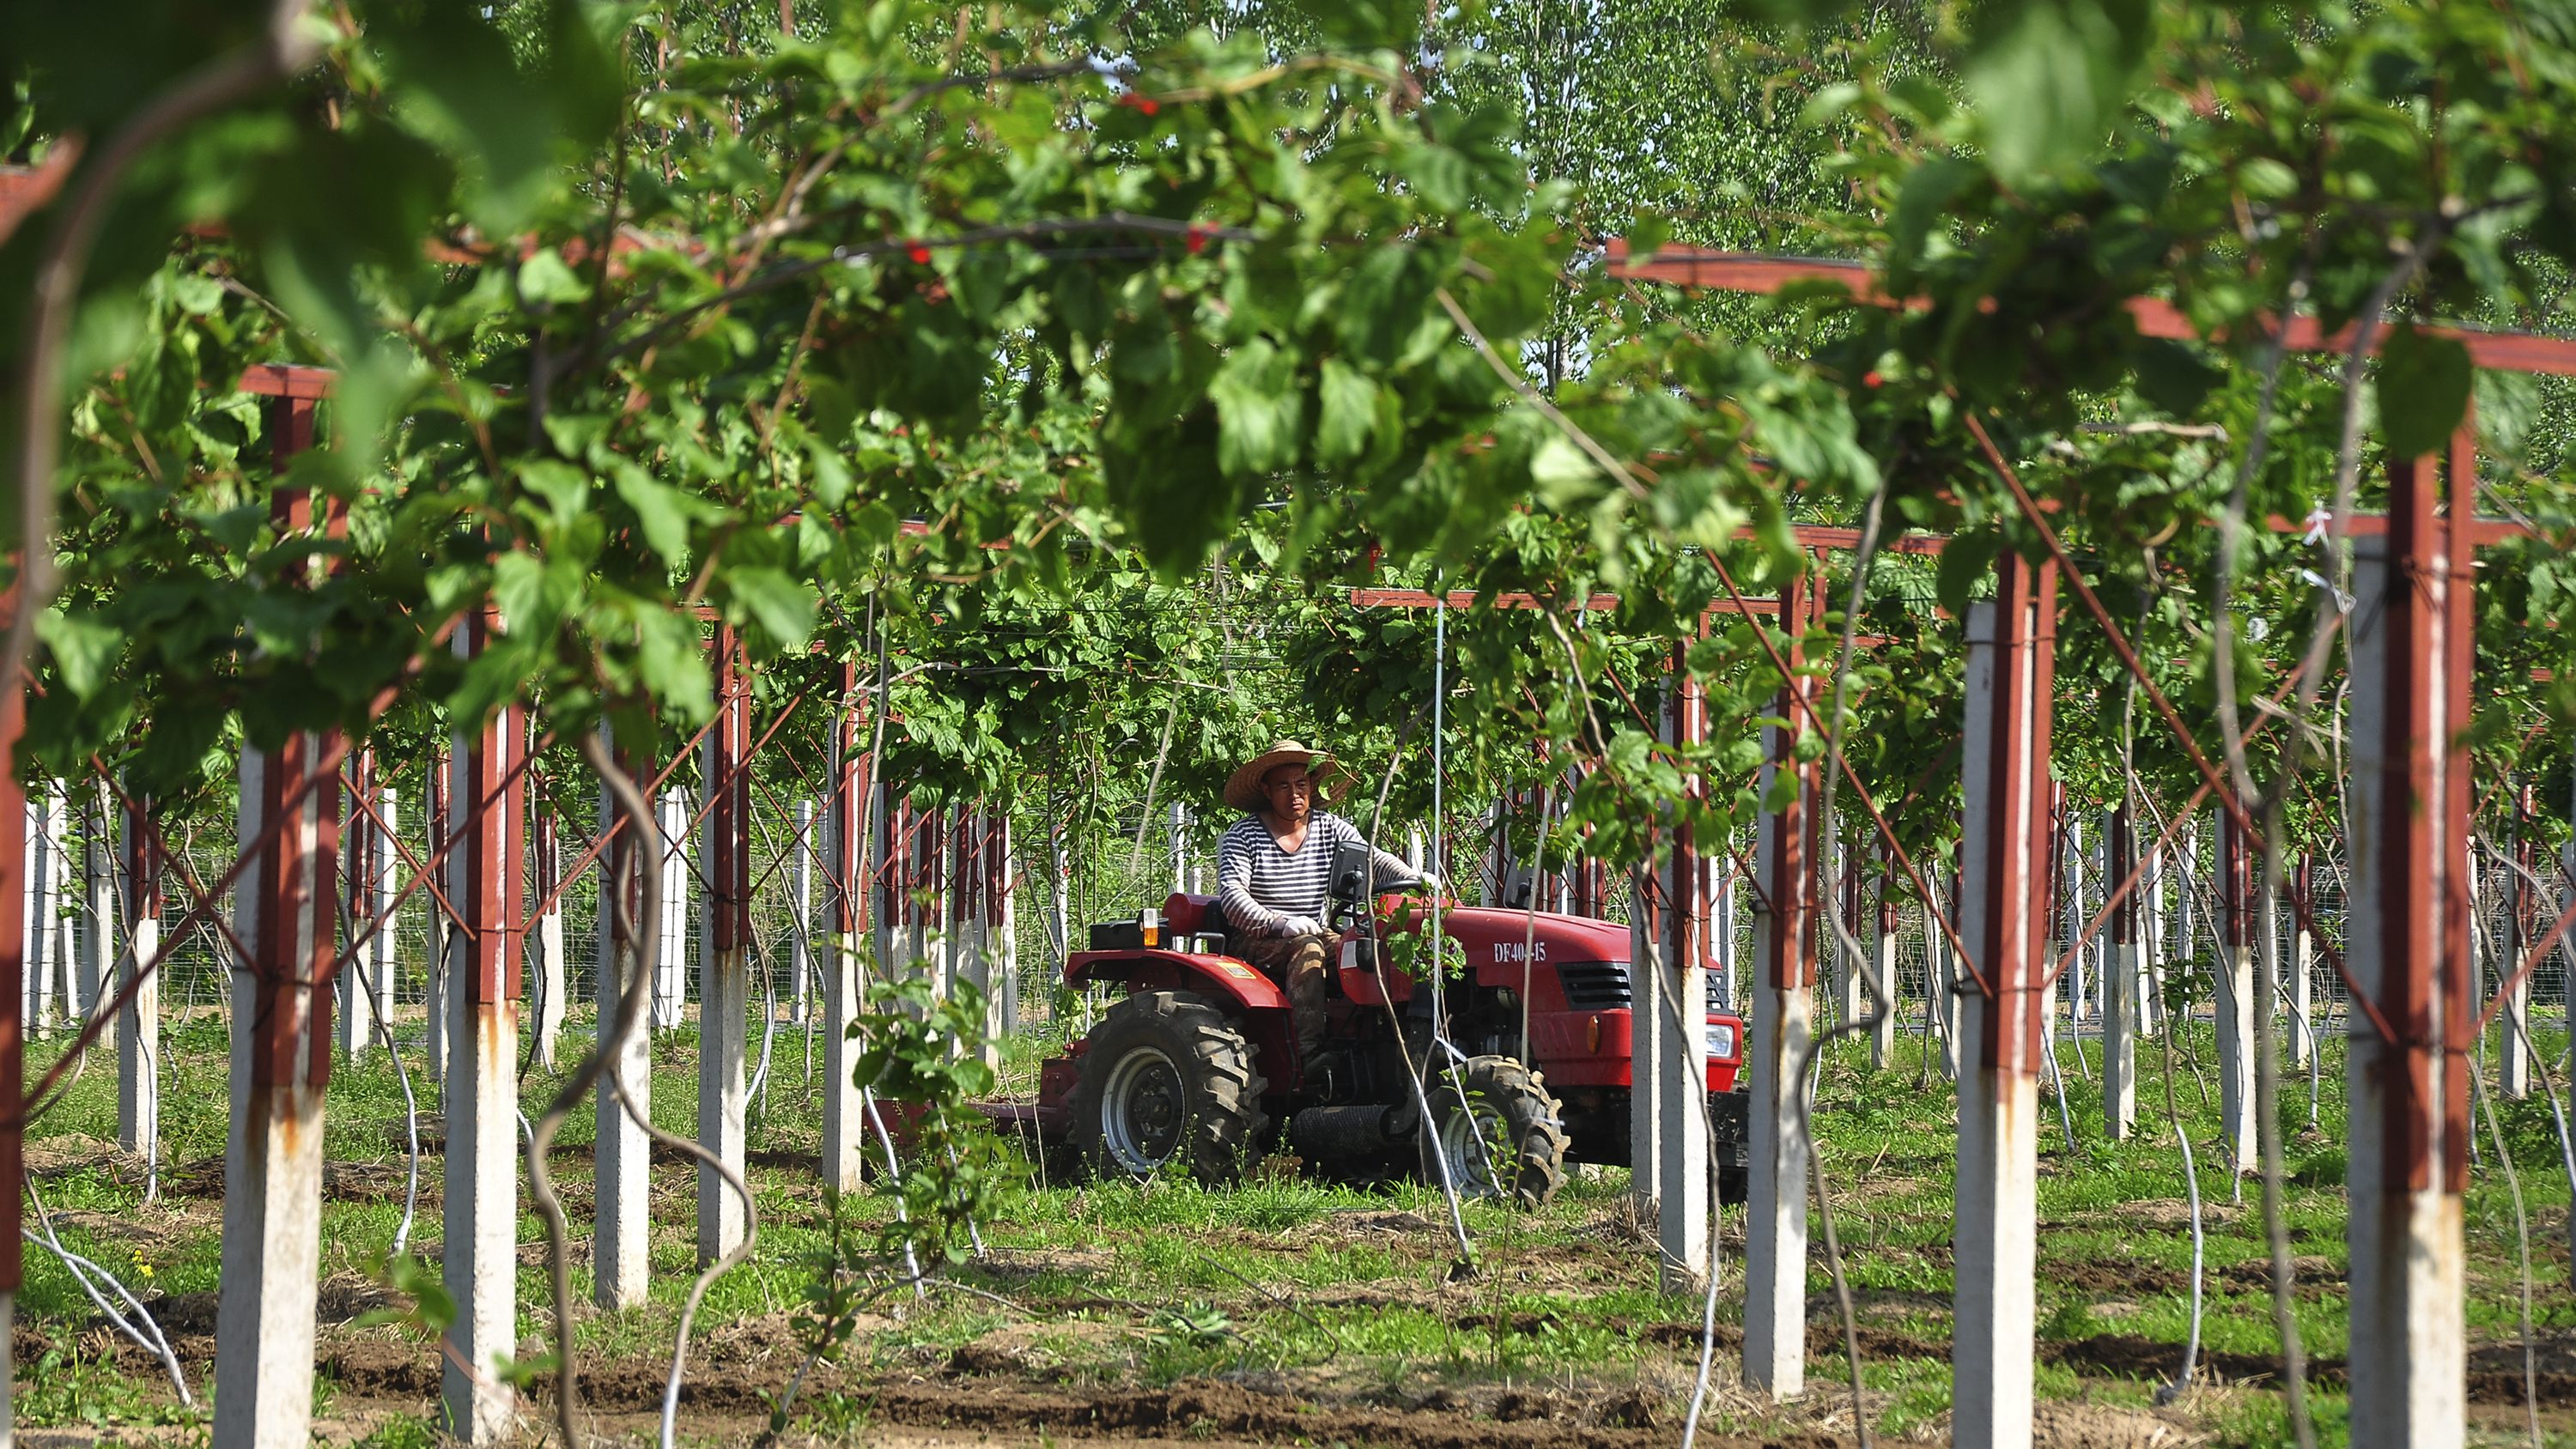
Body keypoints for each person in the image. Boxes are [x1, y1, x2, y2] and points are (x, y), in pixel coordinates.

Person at [1214, 740, 1432, 1064]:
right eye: (1283, 786)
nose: (1294, 794)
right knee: (1308, 949)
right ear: (1266, 789)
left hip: (1314, 930)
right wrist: (1278, 922)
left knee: (1370, 948)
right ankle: (1306, 1055)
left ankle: (1392, 1047)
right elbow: (1232, 896)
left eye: (1301, 784)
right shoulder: (1244, 835)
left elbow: (1371, 859)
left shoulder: (1329, 827)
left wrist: (1417, 879)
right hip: (1259, 939)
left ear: (1312, 786)